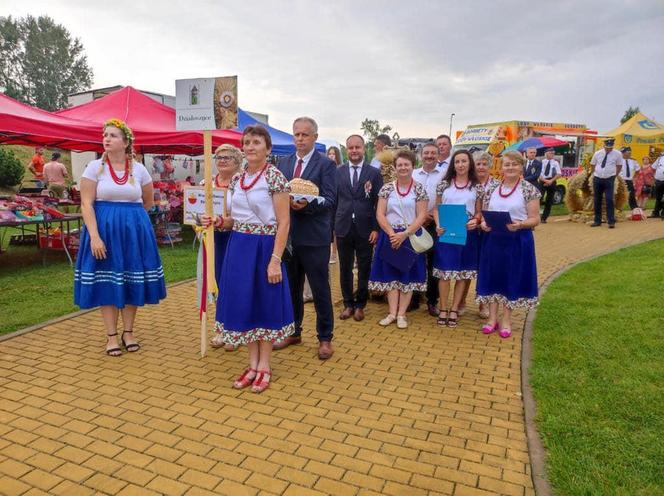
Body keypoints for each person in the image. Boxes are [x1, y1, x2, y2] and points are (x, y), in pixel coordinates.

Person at [75, 119, 166, 356]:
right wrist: (95, 236)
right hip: (103, 231)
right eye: (105, 135)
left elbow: (147, 201)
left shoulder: (139, 169)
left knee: (131, 278)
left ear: (126, 142)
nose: (106, 138)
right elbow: (86, 203)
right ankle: (111, 336)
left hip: (133, 232)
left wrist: (132, 224)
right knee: (107, 281)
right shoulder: (94, 168)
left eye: (113, 135)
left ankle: (128, 331)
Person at [214, 125, 293, 393]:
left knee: (264, 302)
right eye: (246, 142)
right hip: (238, 246)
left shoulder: (275, 177)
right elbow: (234, 219)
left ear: (268, 148)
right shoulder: (237, 179)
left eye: (256, 142)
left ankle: (265, 366)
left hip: (265, 247)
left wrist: (274, 260)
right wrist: (219, 221)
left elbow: (283, 223)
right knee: (245, 302)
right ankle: (252, 363)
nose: (250, 146)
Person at [275, 117, 337, 360]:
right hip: (289, 238)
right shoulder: (284, 162)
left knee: (320, 289)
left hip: (315, 237)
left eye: (305, 135)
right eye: (296, 135)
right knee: (291, 288)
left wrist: (306, 205)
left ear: (315, 137)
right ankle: (293, 331)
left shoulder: (326, 165)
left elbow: (331, 199)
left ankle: (324, 338)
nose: (300, 139)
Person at [477, 151, 540, 338]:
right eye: (506, 164)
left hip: (517, 240)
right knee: (494, 277)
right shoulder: (492, 189)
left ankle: (506, 320)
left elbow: (535, 219)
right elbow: (485, 214)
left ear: (521, 166)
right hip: (494, 240)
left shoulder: (529, 189)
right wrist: (483, 224)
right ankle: (492, 318)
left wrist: (520, 224)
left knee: (510, 278)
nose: (510, 167)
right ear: (501, 167)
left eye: (514, 164)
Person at [369, 149, 429, 329]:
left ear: (413, 166)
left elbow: (422, 216)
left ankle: (402, 314)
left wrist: (405, 234)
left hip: (410, 237)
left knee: (407, 277)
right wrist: (391, 233)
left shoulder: (419, 188)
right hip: (390, 236)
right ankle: (391, 313)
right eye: (399, 165)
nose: (403, 168)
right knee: (390, 277)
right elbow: (380, 213)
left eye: (406, 164)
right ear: (395, 167)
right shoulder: (387, 188)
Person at [432, 150, 483, 328]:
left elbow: (478, 211)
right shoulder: (444, 185)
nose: (460, 165)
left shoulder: (476, 186)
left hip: (467, 234)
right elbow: (436, 209)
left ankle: (454, 308)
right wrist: (438, 225)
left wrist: (475, 221)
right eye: (457, 161)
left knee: (462, 274)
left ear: (470, 164)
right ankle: (443, 308)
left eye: (464, 161)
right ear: (453, 164)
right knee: (445, 273)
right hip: (446, 233)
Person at [335, 135, 383, 322]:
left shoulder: (373, 173)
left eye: (357, 147)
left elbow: (379, 202)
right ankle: (348, 303)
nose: (354, 151)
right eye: (350, 148)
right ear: (347, 150)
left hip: (366, 228)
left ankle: (360, 305)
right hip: (343, 227)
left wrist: (376, 228)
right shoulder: (338, 172)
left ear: (364, 149)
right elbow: (335, 201)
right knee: (345, 268)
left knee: (364, 267)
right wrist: (332, 227)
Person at [200, 144, 243, 352]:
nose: (222, 160)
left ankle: (236, 329)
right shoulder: (206, 183)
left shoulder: (243, 184)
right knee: (216, 282)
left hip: (236, 238)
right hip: (214, 240)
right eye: (219, 157)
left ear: (237, 161)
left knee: (234, 283)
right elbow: (195, 212)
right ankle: (221, 326)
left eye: (227, 157)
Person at [412, 142, 446, 316]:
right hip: (416, 221)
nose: (429, 156)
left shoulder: (444, 175)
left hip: (435, 222)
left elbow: (445, 198)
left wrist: (431, 214)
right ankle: (414, 298)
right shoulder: (413, 173)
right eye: (426, 153)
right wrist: (421, 216)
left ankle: (432, 301)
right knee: (414, 260)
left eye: (433, 153)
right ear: (421, 155)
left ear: (438, 154)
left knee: (434, 262)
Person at [589, 138, 622, 228]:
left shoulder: (617, 154)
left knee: (609, 200)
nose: (609, 149)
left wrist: (615, 175)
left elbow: (619, 165)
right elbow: (592, 164)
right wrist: (594, 174)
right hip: (598, 178)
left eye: (610, 147)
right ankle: (597, 220)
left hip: (609, 179)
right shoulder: (598, 153)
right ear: (604, 146)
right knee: (597, 200)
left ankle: (611, 221)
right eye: (607, 147)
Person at [327, 146, 342, 263]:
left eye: (333, 154)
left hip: (339, 201)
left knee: (335, 229)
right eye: (329, 154)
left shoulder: (340, 169)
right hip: (328, 202)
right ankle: (327, 251)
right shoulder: (325, 168)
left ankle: (334, 253)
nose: (331, 156)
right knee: (328, 227)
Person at [538, 148, 561, 223]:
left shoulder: (555, 163)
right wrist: (545, 181)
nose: (552, 154)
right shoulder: (541, 162)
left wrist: (551, 181)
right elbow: (539, 174)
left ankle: (544, 218)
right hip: (542, 180)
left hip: (552, 181)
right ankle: (536, 215)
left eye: (553, 153)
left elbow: (559, 174)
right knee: (539, 198)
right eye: (551, 153)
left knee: (549, 200)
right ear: (546, 153)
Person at [651, 153, 664, 218]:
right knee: (658, 197)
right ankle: (656, 212)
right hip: (658, 180)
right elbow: (653, 167)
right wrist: (653, 178)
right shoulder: (659, 158)